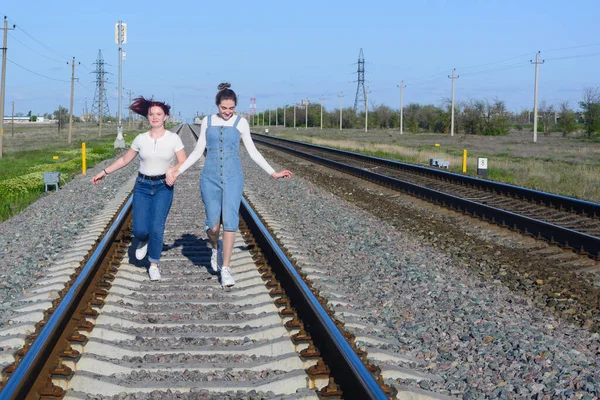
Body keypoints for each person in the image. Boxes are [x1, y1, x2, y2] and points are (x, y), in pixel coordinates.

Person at [167, 83, 292, 288]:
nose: (227, 112)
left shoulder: (241, 123)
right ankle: (214, 247)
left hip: (234, 178)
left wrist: (273, 172)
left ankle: (226, 268)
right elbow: (198, 152)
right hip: (210, 178)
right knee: (213, 225)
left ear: (235, 106)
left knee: (231, 222)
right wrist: (178, 171)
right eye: (224, 108)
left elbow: (253, 152)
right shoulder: (207, 122)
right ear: (217, 105)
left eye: (231, 108)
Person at [92, 97, 187, 281]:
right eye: (151, 114)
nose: (155, 117)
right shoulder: (140, 139)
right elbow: (124, 160)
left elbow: (183, 161)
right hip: (142, 186)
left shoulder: (173, 139)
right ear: (147, 117)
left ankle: (153, 264)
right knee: (140, 230)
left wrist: (172, 170)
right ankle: (143, 240)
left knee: (157, 227)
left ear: (166, 116)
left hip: (163, 187)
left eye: (159, 114)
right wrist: (104, 172)